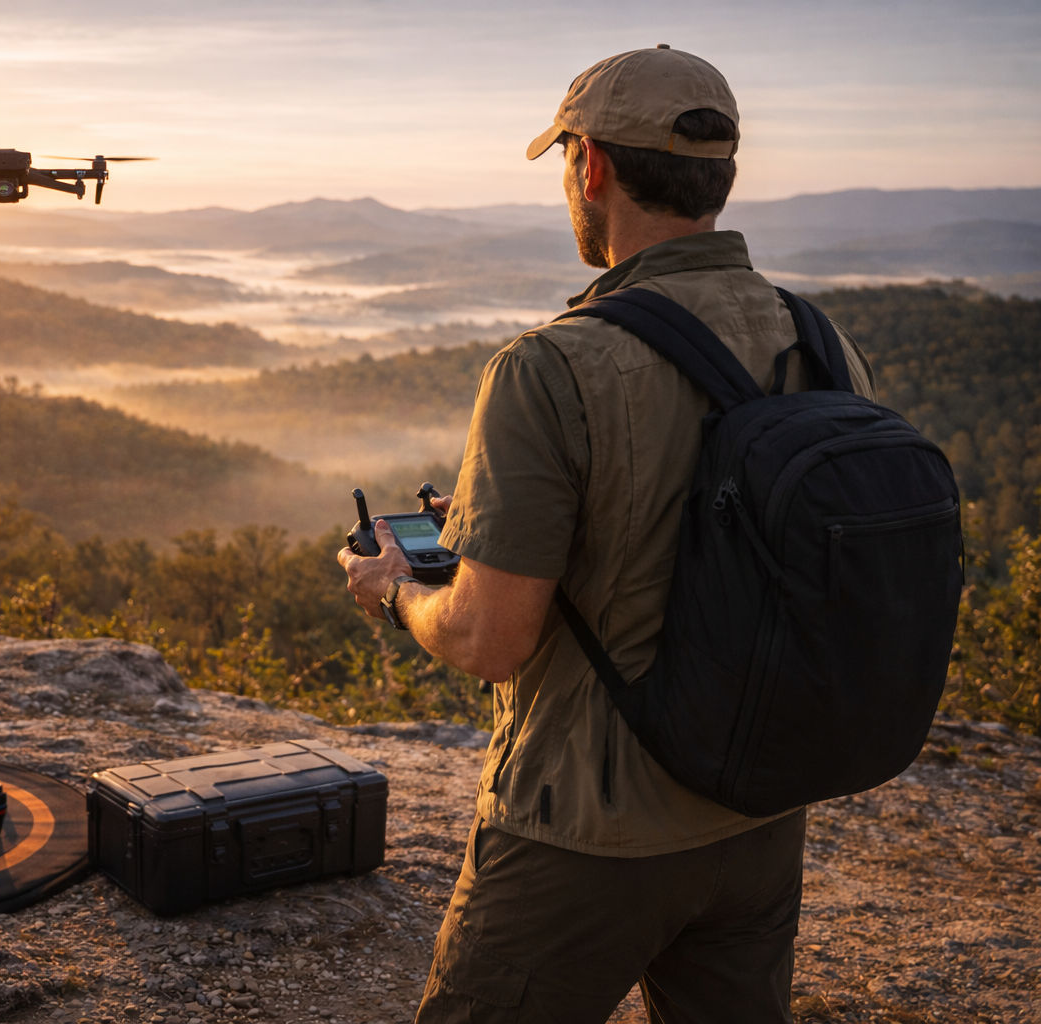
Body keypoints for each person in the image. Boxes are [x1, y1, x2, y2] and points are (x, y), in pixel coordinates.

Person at [338, 46, 877, 1023]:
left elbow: (491, 639)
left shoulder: (550, 368)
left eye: (565, 164)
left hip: (584, 833)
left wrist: (396, 588)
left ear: (590, 166)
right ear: (722, 175)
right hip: (759, 819)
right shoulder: (826, 345)